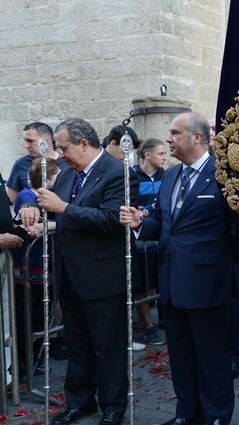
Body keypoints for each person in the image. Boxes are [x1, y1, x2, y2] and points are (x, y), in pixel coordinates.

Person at [120, 112, 239, 425]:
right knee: (182, 356)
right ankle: (186, 413)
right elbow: (165, 223)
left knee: (212, 357)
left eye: (174, 132)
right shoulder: (171, 175)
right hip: (172, 283)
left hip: (209, 284)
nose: (168, 138)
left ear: (196, 137)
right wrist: (139, 224)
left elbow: (238, 229)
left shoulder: (223, 175)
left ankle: (216, 415)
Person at [20, 118, 133, 425]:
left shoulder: (116, 172)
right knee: (78, 343)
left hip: (102, 275)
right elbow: (52, 207)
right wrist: (32, 208)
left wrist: (63, 208)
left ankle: (113, 406)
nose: (60, 154)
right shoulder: (69, 173)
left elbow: (110, 220)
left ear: (84, 143)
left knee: (107, 346)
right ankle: (79, 401)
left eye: (63, 147)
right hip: (69, 274)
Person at [12, 158, 60, 380]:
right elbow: (32, 224)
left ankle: (36, 359)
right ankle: (25, 365)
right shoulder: (27, 196)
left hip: (43, 268)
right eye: (57, 176)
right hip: (30, 270)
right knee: (28, 320)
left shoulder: (49, 197)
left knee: (41, 317)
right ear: (48, 179)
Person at [131, 138, 167, 346]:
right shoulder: (132, 175)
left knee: (162, 279)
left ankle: (164, 318)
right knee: (143, 284)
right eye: (161, 153)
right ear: (147, 155)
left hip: (161, 238)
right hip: (141, 241)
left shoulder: (167, 175)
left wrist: (151, 209)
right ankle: (147, 326)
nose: (165, 157)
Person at [6, 122, 67, 203]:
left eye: (30, 141)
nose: (26, 146)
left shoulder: (66, 163)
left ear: (47, 141)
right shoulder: (21, 163)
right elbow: (12, 198)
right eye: (25, 141)